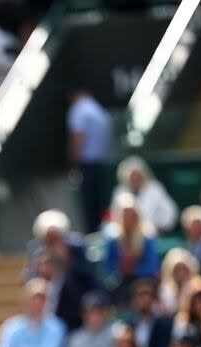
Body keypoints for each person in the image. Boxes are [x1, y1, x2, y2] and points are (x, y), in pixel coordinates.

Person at [0, 278, 67, 347]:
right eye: (34, 298)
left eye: (42, 298)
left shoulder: (56, 327)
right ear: (25, 299)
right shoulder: (11, 326)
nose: (37, 302)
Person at [67, 88, 112, 233]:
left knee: (89, 207)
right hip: (101, 165)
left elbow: (78, 137)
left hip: (87, 166)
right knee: (99, 205)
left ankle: (93, 237)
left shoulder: (79, 110)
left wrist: (73, 163)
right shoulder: (99, 110)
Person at [103, 193, 160, 288]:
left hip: (144, 283)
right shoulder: (113, 238)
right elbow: (107, 267)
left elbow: (151, 266)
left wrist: (133, 270)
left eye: (131, 215)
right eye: (124, 215)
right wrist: (120, 270)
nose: (128, 218)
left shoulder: (147, 236)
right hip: (121, 283)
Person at [109, 156, 178, 233]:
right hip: (126, 236)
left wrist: (159, 226)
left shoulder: (155, 189)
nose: (135, 178)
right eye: (132, 176)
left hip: (150, 234)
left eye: (137, 175)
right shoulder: (120, 191)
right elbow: (114, 215)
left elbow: (170, 212)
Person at [159, 248, 201, 315]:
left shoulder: (199, 287)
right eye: (176, 270)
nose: (181, 273)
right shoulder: (166, 291)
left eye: (183, 269)